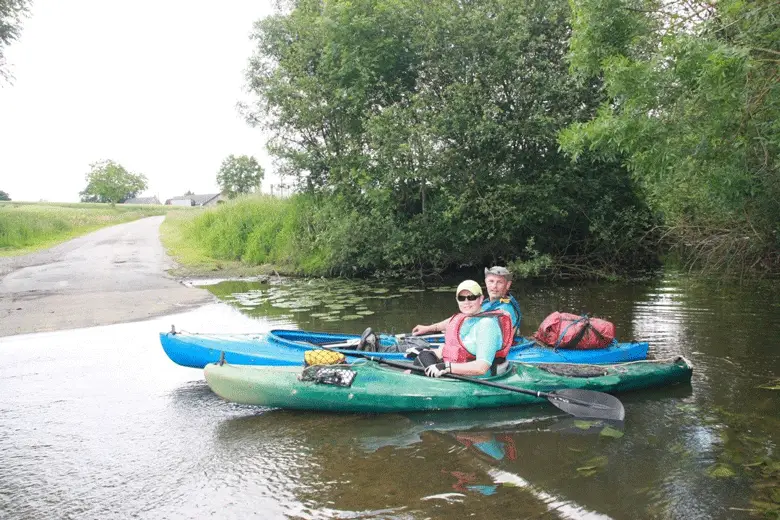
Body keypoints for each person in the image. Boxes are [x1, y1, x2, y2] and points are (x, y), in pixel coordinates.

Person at [405, 280, 513, 377]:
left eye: (471, 297)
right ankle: (412, 375)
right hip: (458, 369)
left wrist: (446, 367)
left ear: (480, 299)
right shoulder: (464, 318)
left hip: (479, 377)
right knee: (424, 356)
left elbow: (481, 367)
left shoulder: (487, 325)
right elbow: (453, 348)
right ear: (457, 300)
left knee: (421, 363)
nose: (466, 302)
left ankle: (411, 380)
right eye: (462, 298)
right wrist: (427, 351)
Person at [412, 266, 522, 340]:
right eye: (491, 281)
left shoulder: (506, 309)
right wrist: (431, 328)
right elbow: (462, 318)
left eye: (499, 282)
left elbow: (492, 339)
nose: (494, 286)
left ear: (507, 285)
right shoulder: (488, 303)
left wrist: (457, 334)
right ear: (486, 282)